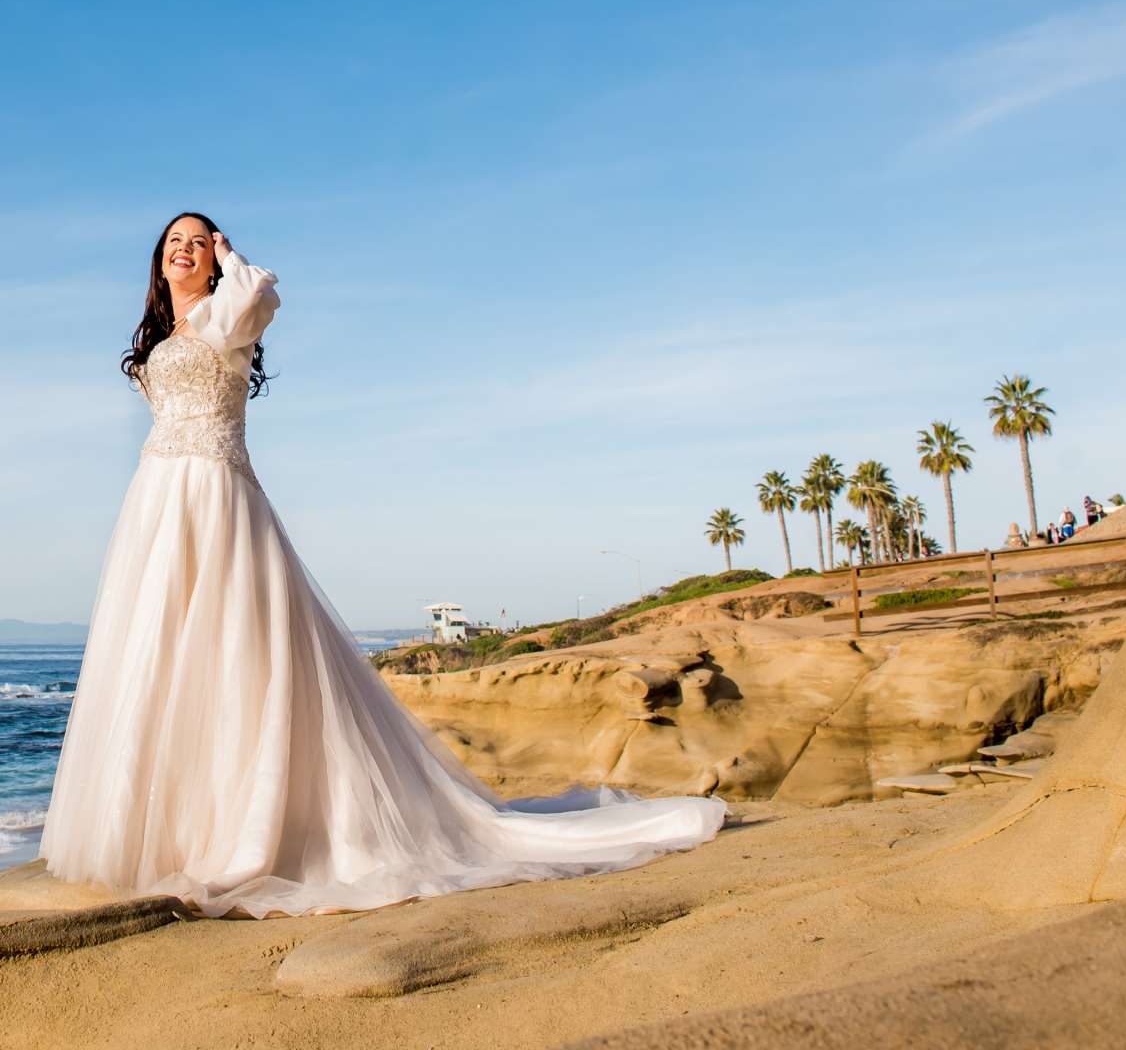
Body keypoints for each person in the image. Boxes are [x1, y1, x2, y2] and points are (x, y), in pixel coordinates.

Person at [38, 213, 727, 918]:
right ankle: (174, 832)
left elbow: (262, 293)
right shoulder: (163, 339)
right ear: (158, 262)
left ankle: (243, 837)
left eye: (198, 242)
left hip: (216, 494)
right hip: (156, 500)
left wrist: (231, 256)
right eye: (173, 243)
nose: (184, 251)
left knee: (235, 650)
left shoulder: (231, 313)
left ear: (214, 260)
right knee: (160, 655)